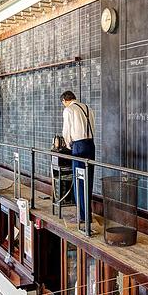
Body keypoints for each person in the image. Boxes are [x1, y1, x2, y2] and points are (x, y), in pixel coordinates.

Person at [61, 91, 96, 223]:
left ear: (65, 100)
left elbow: (66, 131)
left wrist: (69, 145)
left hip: (79, 146)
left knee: (79, 181)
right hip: (91, 145)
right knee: (89, 180)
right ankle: (88, 215)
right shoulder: (88, 108)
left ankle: (82, 216)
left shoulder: (69, 110)